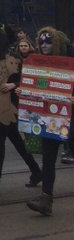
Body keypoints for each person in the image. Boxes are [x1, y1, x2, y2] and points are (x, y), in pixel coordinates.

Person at [0, 28, 41, 195]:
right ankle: (36, 171)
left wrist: (14, 85)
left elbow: (26, 77)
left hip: (8, 105)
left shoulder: (10, 57)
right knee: (16, 142)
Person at [27, 27, 74, 216]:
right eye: (41, 42)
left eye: (48, 42)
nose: (44, 45)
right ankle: (46, 198)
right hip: (53, 117)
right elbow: (37, 85)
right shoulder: (37, 62)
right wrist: (25, 92)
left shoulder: (70, 61)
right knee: (48, 158)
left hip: (69, 115)